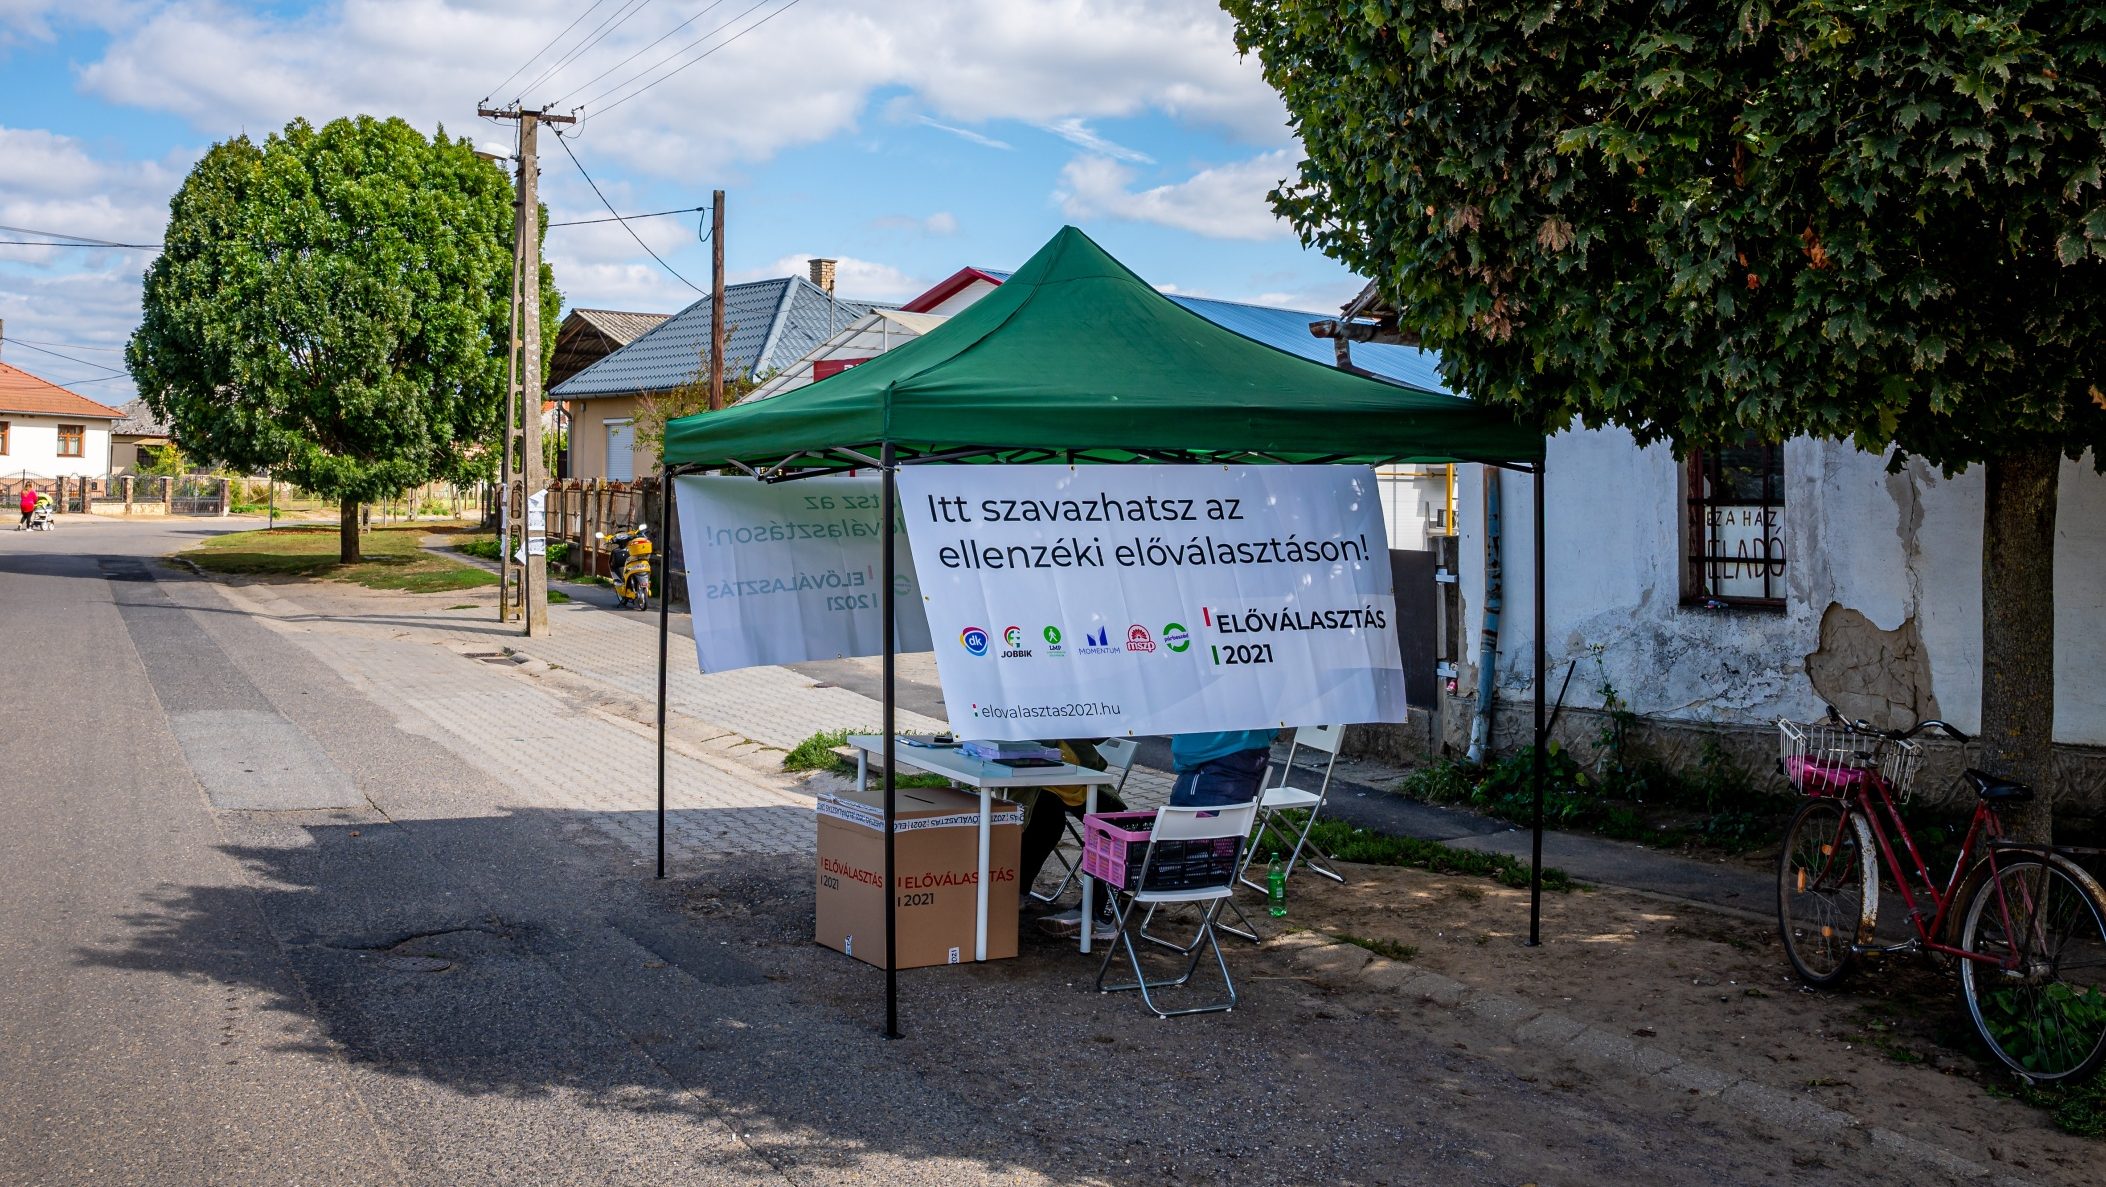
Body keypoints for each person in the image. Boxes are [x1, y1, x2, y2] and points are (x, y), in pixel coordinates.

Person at [1023, 739, 1126, 941]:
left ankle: (1098, 914)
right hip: (1044, 783)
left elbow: (1099, 734)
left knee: (1111, 828)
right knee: (1045, 820)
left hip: (1082, 780)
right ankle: (1017, 888)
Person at [1169, 729, 1278, 807]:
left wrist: (1180, 765)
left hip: (1196, 812)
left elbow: (1183, 751)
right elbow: (1272, 731)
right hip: (1234, 821)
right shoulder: (1259, 720)